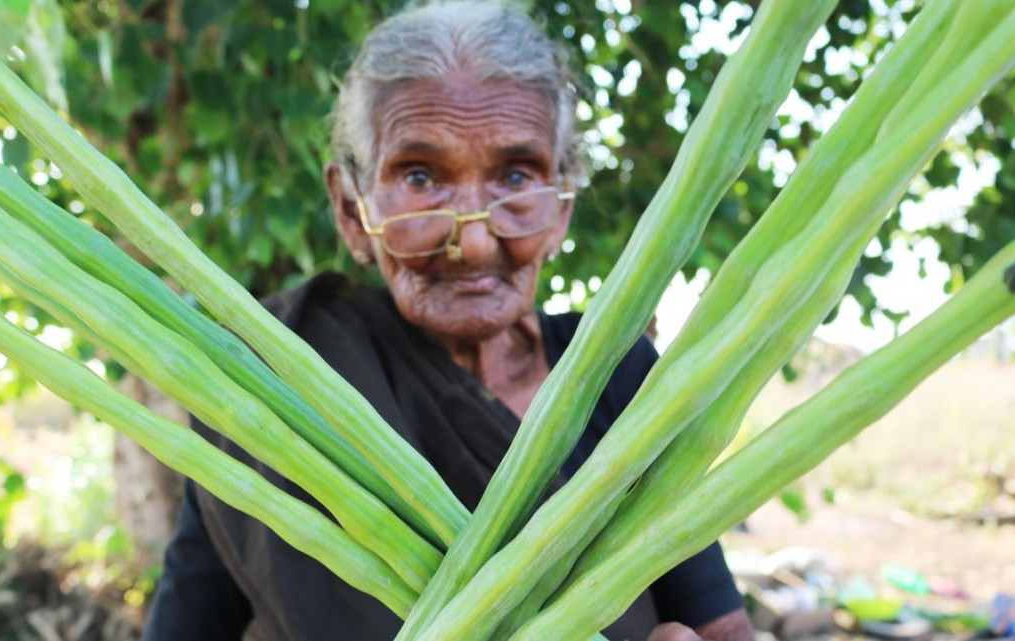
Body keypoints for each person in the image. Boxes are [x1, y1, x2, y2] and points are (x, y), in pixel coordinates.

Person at [143, 2, 752, 640]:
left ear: (562, 208)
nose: (478, 243)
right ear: (352, 211)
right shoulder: (271, 385)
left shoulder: (618, 376)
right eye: (421, 176)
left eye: (517, 176)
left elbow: (719, 626)